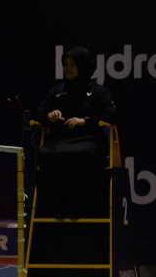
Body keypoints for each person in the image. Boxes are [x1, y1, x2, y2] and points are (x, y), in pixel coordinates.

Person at [34, 46, 116, 217]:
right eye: (65, 64)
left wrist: (84, 121)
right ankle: (55, 209)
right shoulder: (57, 91)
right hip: (59, 141)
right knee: (46, 154)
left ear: (83, 66)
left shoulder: (98, 91)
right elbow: (40, 115)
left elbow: (111, 115)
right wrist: (50, 115)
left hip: (89, 140)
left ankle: (82, 208)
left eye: (73, 64)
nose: (68, 68)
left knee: (80, 154)